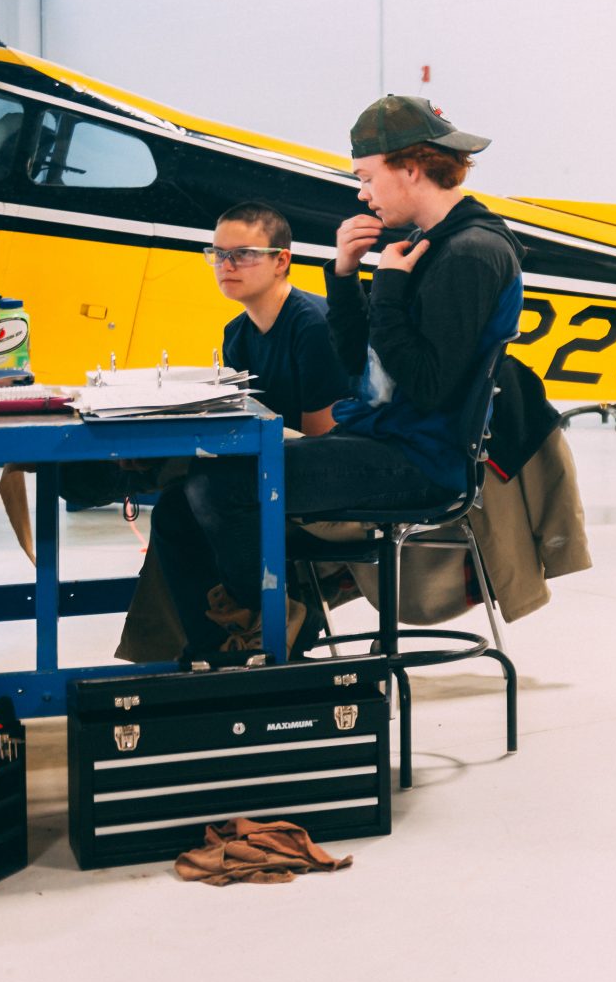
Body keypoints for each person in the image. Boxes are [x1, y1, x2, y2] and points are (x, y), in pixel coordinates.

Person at [147, 97, 523, 663]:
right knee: (181, 499)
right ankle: (222, 642)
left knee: (220, 488)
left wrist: (389, 288)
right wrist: (346, 278)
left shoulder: (470, 253)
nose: (362, 194)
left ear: (411, 168)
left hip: (421, 462)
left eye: (367, 178)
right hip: (385, 439)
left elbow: (424, 386)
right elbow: (359, 369)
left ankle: (281, 624)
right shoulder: (427, 246)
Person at [208, 200, 353, 435]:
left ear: (281, 261)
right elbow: (239, 425)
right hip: (281, 455)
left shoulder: (315, 325)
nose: (226, 265)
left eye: (243, 253)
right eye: (219, 253)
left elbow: (322, 440)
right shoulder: (234, 333)